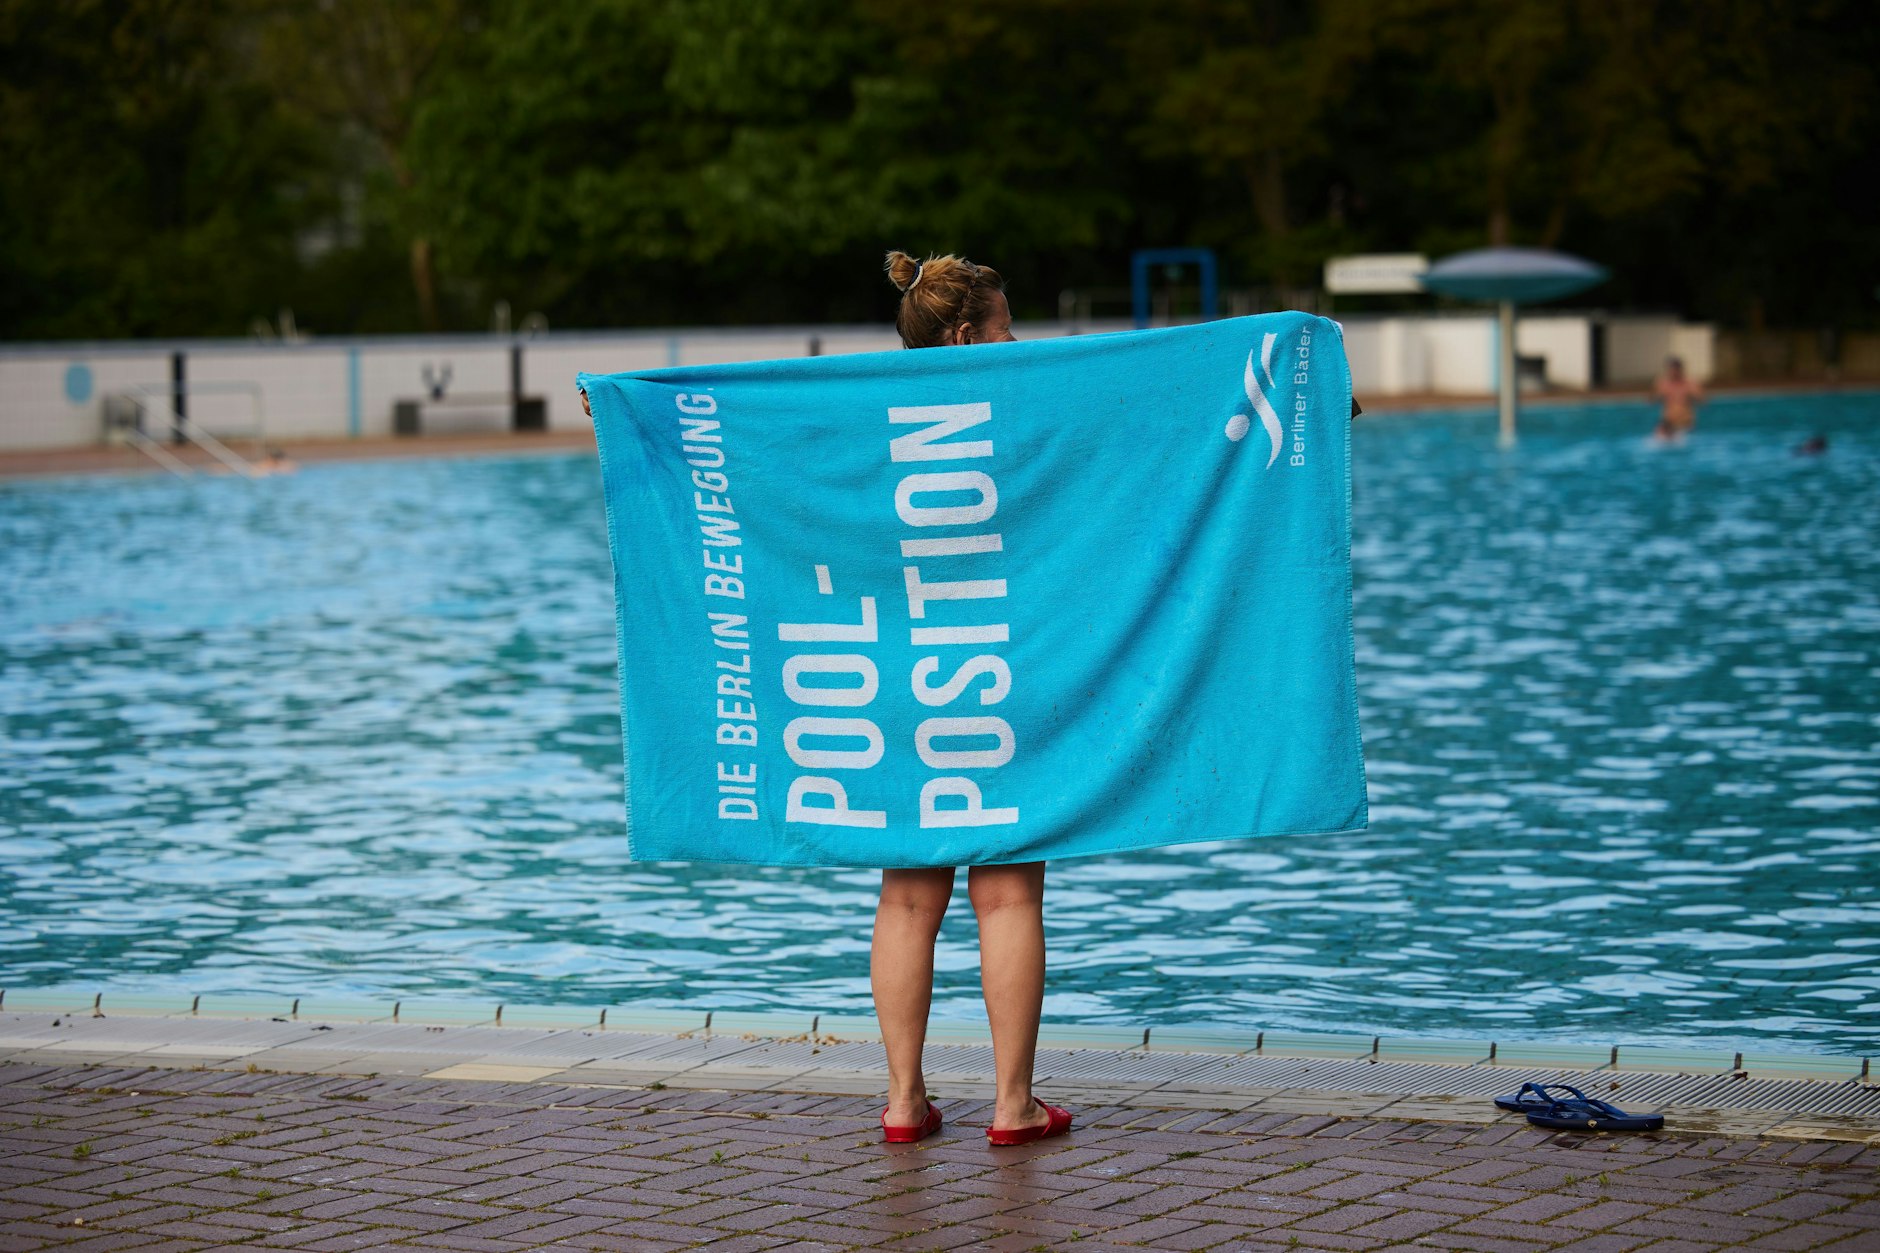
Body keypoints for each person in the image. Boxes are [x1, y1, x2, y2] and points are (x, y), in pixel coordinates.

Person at [873, 250, 1071, 1148]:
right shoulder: (1024, 408)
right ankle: (1012, 1104)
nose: (1017, 340)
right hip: (997, 670)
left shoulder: (862, 417)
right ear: (965, 336)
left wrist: (632, 407)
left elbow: (756, 433)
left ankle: (906, 1103)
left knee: (908, 897)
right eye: (1005, 324)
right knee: (1008, 897)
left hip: (904, 677)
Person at [1651, 356, 1703, 442]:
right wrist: (1657, 395)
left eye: (1675, 369)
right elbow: (1651, 401)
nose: (1673, 372)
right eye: (1671, 369)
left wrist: (1694, 395)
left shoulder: (1689, 384)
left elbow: (1703, 401)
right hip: (1668, 424)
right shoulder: (1663, 384)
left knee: (1680, 441)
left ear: (1680, 370)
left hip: (1685, 425)